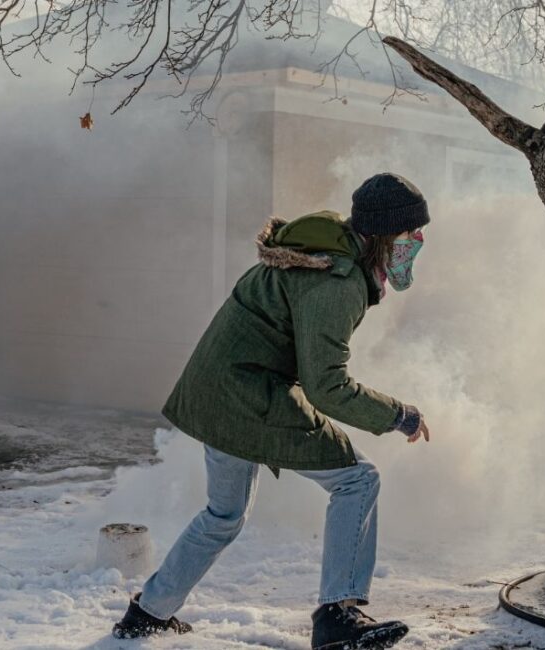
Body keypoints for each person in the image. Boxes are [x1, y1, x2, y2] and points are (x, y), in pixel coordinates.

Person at [111, 172, 432, 650]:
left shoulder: (323, 250)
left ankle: (147, 612)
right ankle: (337, 615)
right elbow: (327, 387)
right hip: (247, 393)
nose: (418, 241)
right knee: (357, 480)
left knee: (223, 515)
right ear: (386, 235)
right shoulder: (336, 282)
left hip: (213, 390)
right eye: (411, 233)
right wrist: (398, 415)